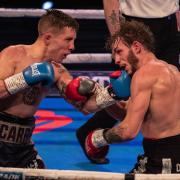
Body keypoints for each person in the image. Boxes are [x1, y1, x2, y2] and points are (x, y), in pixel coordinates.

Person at [0, 8, 131, 168]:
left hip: (23, 148)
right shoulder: (14, 55)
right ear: (48, 38)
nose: (72, 47)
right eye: (68, 39)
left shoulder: (58, 71)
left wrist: (112, 93)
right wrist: (24, 78)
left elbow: (86, 107)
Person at [76, 0, 180, 164]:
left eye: (118, 52)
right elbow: (128, 113)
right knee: (143, 95)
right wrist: (100, 93)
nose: (116, 59)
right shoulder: (169, 71)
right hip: (137, 21)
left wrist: (97, 138)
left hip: (170, 23)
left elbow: (128, 131)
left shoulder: (143, 75)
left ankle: (89, 128)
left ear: (136, 47)